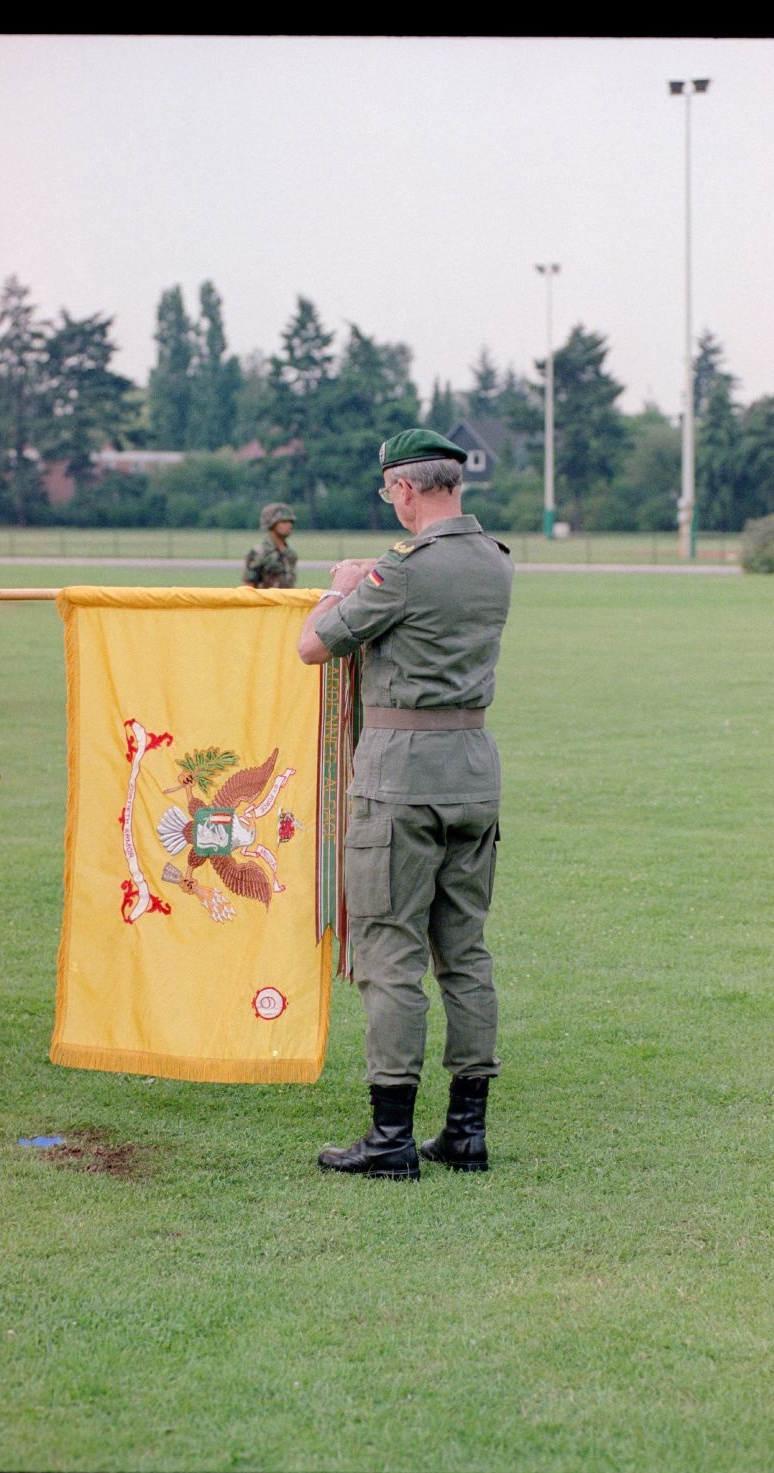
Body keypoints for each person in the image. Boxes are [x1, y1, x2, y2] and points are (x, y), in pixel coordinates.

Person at [298, 428, 514, 1180]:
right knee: (465, 951)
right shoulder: (495, 562)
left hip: (401, 777)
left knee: (388, 952)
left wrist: (343, 583)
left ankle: (390, 1136)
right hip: (473, 771)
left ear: (404, 489)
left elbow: (316, 643)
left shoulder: (405, 571)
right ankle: (466, 1130)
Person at [243, 502, 298, 588]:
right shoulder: (259, 553)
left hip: (286, 601)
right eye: (284, 521)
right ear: (271, 524)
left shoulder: (290, 553)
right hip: (265, 601)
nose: (289, 525)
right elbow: (249, 586)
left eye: (290, 521)